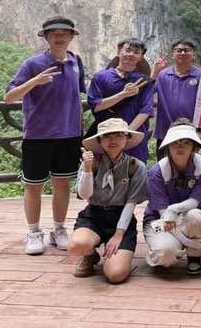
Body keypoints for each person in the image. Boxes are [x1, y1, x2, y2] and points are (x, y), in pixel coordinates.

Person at [4, 16, 87, 255]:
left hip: (69, 134)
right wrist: (34, 81)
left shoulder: (75, 62)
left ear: (71, 37)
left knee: (62, 183)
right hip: (38, 135)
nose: (60, 37)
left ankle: (58, 229)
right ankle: (33, 232)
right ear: (46, 37)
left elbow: (78, 96)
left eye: (64, 33)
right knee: (34, 185)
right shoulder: (32, 64)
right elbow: (9, 98)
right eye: (54, 33)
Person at [67, 118, 149, 283]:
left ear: (127, 138)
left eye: (118, 135)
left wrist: (118, 235)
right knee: (76, 245)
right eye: (107, 136)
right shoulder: (92, 163)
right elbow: (84, 194)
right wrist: (87, 169)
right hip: (94, 216)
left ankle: (113, 257)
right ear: (99, 140)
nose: (113, 140)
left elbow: (131, 203)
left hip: (121, 218)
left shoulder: (136, 166)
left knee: (116, 274)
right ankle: (90, 255)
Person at [143, 120, 201, 275]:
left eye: (186, 142)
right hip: (161, 220)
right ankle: (170, 245)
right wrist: (186, 241)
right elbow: (164, 215)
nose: (180, 147)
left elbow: (196, 200)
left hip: (193, 217)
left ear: (193, 145)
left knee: (194, 214)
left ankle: (194, 256)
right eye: (175, 142)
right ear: (168, 145)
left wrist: (174, 208)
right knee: (165, 254)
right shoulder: (156, 171)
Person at [86, 38, 155, 163]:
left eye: (136, 52)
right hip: (107, 135)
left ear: (141, 57)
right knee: (103, 169)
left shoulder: (145, 81)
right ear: (118, 53)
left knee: (135, 169)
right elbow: (96, 106)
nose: (131, 54)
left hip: (134, 136)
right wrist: (123, 94)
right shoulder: (101, 77)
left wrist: (126, 134)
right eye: (127, 50)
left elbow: (145, 110)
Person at [152, 40, 201, 159]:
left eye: (187, 50)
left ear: (194, 54)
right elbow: (147, 91)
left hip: (193, 130)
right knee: (164, 165)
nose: (183, 53)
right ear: (172, 55)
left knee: (193, 165)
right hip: (166, 130)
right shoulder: (163, 75)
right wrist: (155, 71)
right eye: (179, 50)